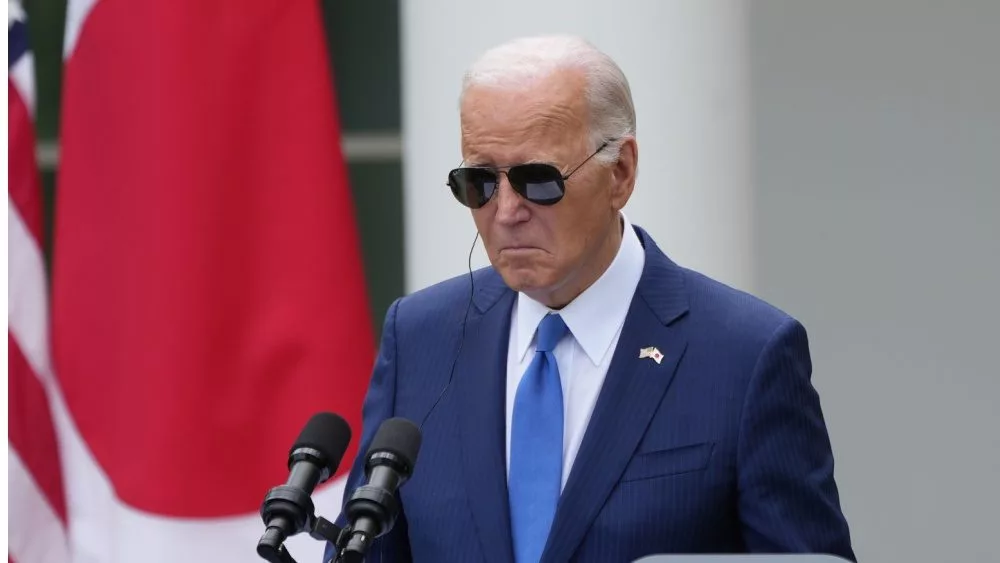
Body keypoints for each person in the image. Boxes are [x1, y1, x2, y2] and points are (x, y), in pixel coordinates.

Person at [333, 35, 855, 563]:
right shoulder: (420, 338)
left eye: (538, 180)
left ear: (620, 173)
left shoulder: (745, 353)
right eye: (479, 182)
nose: (507, 212)